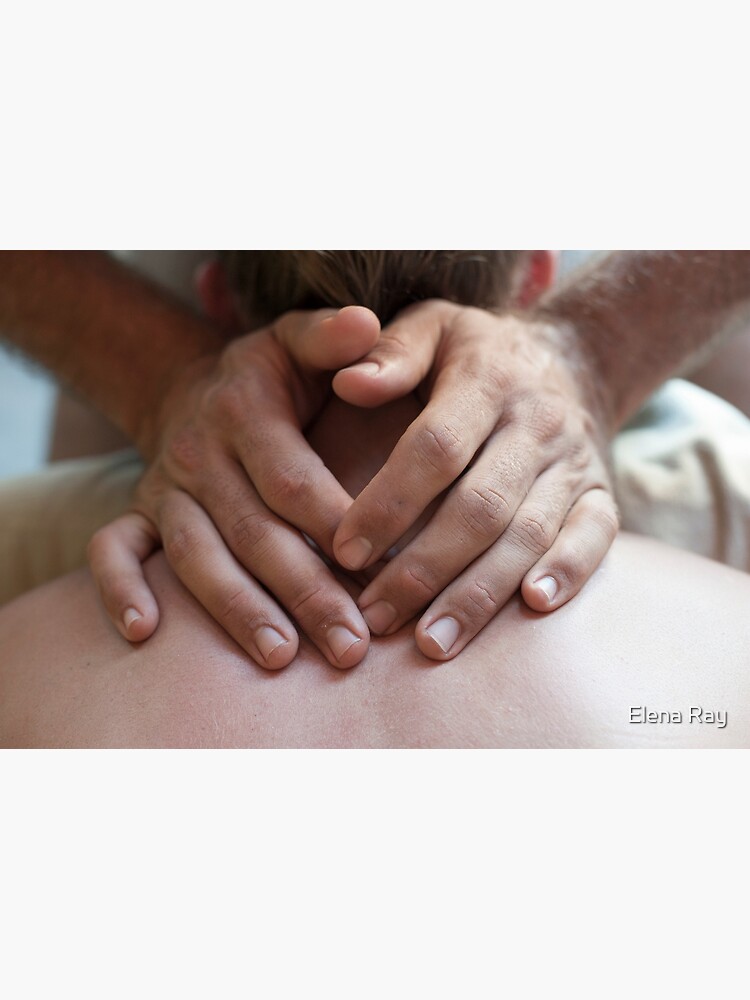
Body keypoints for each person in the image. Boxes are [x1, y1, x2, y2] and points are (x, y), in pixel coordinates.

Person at [1, 250, 749, 748]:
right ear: (538, 277)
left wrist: (598, 350)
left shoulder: (21, 670)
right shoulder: (725, 639)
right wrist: (159, 378)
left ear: (213, 295)